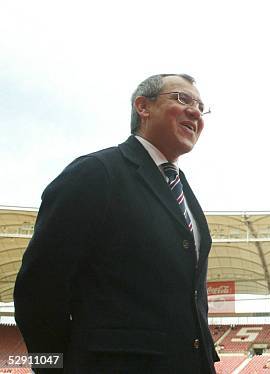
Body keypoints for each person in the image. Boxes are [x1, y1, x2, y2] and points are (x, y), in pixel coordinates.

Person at [14, 74, 219, 373]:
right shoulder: (96, 173)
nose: (196, 111)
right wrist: (55, 370)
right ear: (143, 107)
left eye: (201, 106)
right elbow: (38, 288)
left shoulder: (181, 189)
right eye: (181, 99)